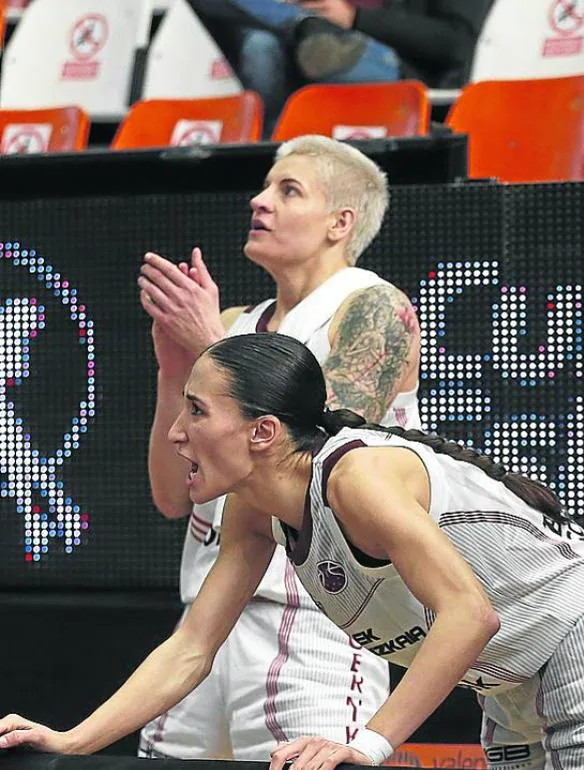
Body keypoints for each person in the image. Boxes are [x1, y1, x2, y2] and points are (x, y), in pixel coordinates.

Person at [0, 332, 584, 770]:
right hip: (510, 676)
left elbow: (469, 613)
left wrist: (366, 745)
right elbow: (192, 648)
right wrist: (73, 740)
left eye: (197, 411)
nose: (177, 433)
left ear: (262, 431)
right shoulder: (255, 507)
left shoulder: (358, 479)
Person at [135, 134, 421, 761]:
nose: (260, 201)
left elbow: (319, 448)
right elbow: (168, 496)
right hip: (207, 615)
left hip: (319, 617)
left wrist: (211, 349)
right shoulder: (236, 320)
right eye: (266, 187)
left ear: (338, 223)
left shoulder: (373, 307)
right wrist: (172, 370)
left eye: (288, 190)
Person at [189, 0, 490, 135]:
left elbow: (455, 45)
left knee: (292, 49)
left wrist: (353, 18)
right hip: (306, 43)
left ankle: (275, 150)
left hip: (395, 64)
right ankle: (301, 25)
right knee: (260, 47)